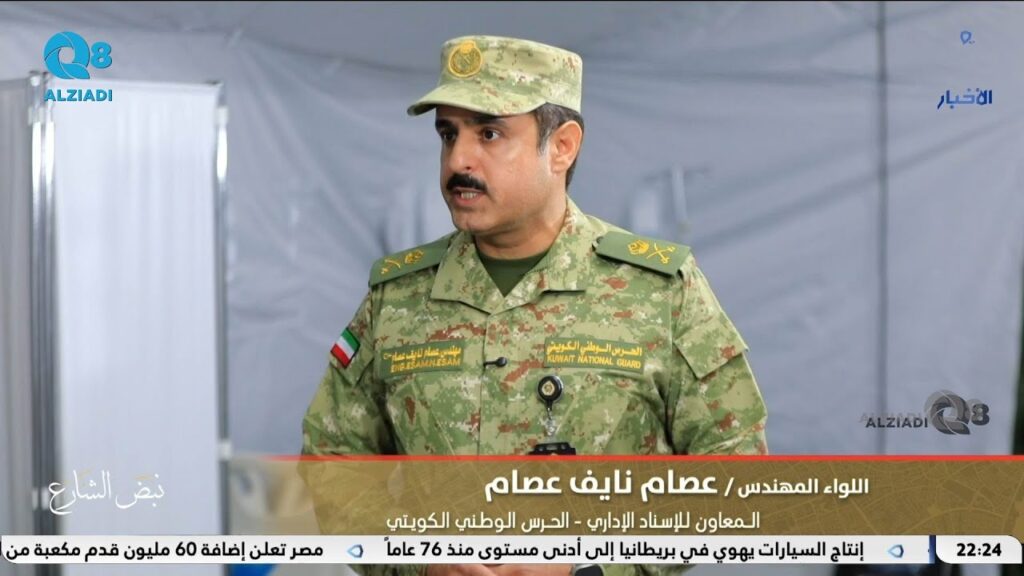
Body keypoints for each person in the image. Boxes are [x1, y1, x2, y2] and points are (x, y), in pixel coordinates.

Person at [301, 35, 768, 576]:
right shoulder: (398, 298)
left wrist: (589, 566)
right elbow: (333, 462)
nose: (458, 160)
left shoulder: (658, 290)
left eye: (489, 133)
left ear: (562, 146)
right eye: (448, 134)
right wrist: (418, 562)